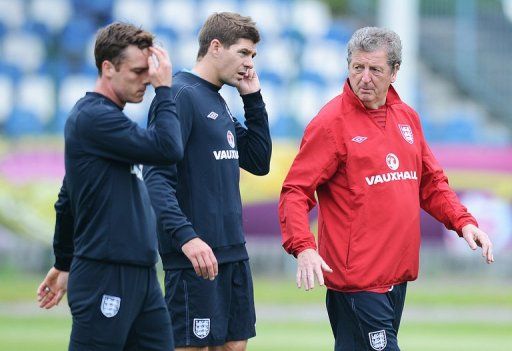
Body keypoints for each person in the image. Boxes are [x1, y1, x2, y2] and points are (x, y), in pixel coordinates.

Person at [278, 26, 494, 351]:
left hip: (395, 278)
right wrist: (304, 246)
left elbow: (431, 182)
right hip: (357, 283)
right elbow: (295, 191)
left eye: (375, 69)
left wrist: (463, 221)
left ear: (394, 72)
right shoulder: (330, 123)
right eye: (358, 68)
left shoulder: (407, 118)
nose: (365, 78)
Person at [36, 22, 183, 351]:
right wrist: (164, 90)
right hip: (105, 271)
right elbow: (168, 148)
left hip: (141, 273)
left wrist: (63, 263)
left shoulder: (111, 122)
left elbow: (67, 199)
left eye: (150, 71)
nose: (146, 78)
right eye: (137, 71)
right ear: (108, 67)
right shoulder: (94, 118)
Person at [143, 12, 271, 351]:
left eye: (253, 56)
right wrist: (187, 238)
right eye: (243, 53)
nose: (249, 64)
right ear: (216, 46)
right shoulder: (179, 96)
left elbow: (259, 162)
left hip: (232, 253)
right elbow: (155, 177)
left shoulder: (218, 98)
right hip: (194, 257)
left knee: (234, 347)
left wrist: (252, 98)